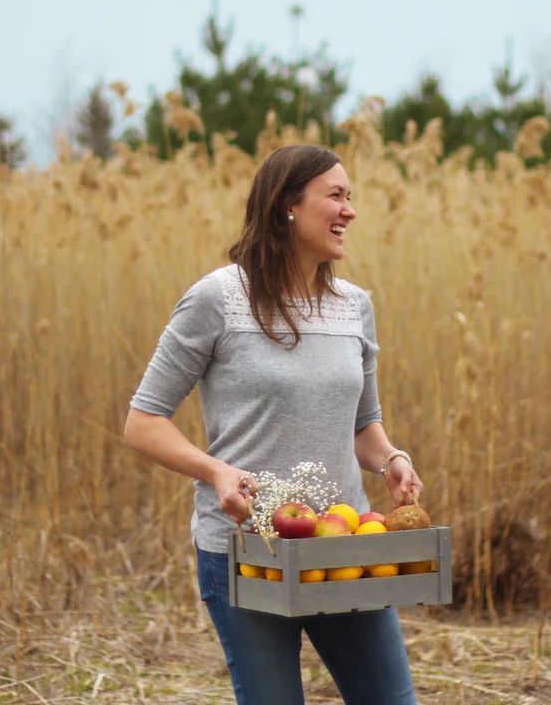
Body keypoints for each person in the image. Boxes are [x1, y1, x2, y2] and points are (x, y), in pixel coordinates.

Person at [123, 144, 423, 705]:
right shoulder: (217, 299)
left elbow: (364, 426)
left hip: (344, 548)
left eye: (350, 197)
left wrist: (393, 459)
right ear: (287, 205)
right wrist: (215, 472)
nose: (349, 211)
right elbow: (143, 421)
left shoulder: (353, 305)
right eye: (335, 195)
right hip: (246, 552)